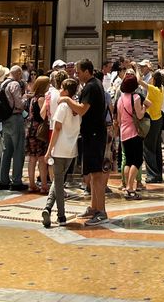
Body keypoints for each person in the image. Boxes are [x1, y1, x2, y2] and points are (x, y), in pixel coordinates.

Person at [41, 77, 81, 228]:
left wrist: (49, 150)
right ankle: (48, 208)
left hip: (59, 148)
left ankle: (61, 215)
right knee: (59, 180)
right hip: (71, 149)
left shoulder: (63, 106)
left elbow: (57, 128)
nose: (60, 90)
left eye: (62, 88)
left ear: (66, 91)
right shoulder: (76, 107)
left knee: (58, 182)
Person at [73, 59, 109, 226]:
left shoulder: (90, 86)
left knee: (96, 174)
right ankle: (94, 207)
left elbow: (81, 109)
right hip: (93, 133)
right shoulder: (95, 84)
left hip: (94, 133)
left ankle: (101, 211)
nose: (76, 75)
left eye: (78, 72)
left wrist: (66, 101)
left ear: (87, 71)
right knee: (93, 174)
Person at [115, 72, 146, 200]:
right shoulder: (136, 98)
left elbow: (119, 119)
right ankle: (130, 187)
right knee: (137, 160)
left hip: (124, 132)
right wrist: (144, 108)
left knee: (128, 160)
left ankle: (127, 186)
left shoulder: (120, 99)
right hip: (134, 132)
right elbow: (139, 115)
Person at [0, 65, 28, 191]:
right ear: (19, 73)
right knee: (18, 150)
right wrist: (25, 99)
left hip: (5, 119)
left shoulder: (3, 84)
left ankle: (3, 180)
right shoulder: (14, 85)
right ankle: (16, 181)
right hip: (15, 118)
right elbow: (19, 103)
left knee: (6, 150)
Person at [25, 75, 50, 194]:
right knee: (41, 158)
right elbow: (43, 115)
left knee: (32, 158)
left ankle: (31, 184)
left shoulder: (33, 98)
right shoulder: (41, 99)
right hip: (39, 130)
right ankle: (44, 185)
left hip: (30, 129)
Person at [143, 69, 164, 183]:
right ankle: (158, 174)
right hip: (158, 120)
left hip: (152, 121)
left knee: (148, 149)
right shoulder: (162, 89)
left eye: (151, 78)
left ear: (154, 79)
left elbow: (138, 81)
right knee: (156, 148)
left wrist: (136, 69)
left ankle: (152, 175)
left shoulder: (153, 89)